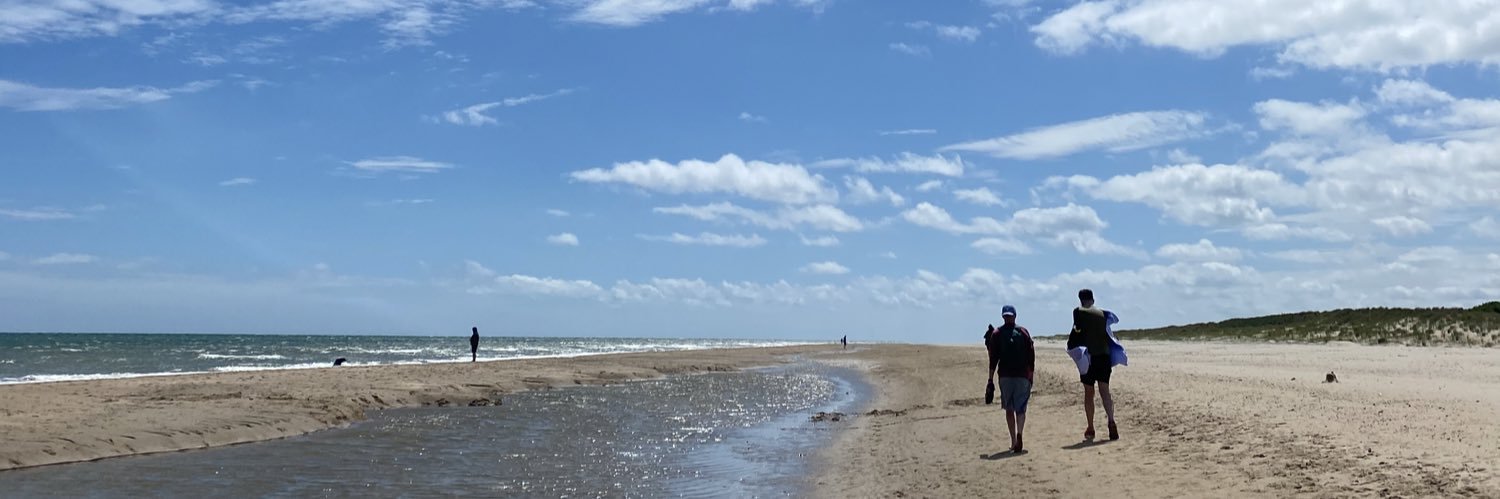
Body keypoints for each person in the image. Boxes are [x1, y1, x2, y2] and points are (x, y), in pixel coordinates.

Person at [1069, 289, 1119, 441]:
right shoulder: (1103, 314)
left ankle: (1090, 427)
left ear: (1080, 300)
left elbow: (1076, 330)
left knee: (1089, 393)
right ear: (1093, 299)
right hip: (1104, 356)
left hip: (1089, 358)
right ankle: (1111, 421)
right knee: (1105, 391)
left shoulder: (1078, 312)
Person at [989, 305, 1034, 452]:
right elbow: (1031, 354)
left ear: (1004, 316)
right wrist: (1031, 373)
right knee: (1020, 408)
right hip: (1021, 375)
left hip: (1005, 376)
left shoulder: (997, 333)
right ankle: (1020, 433)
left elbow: (993, 358)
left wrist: (990, 379)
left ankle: (1014, 440)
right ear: (1015, 316)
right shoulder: (1023, 332)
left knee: (1009, 408)